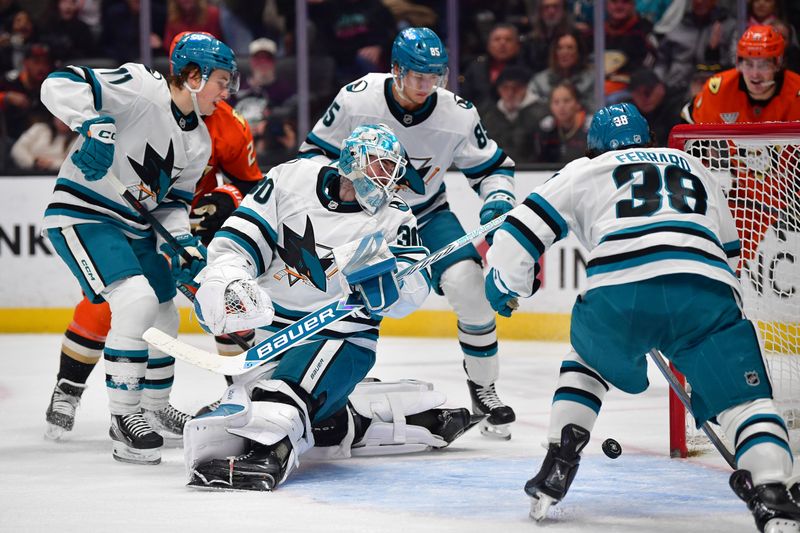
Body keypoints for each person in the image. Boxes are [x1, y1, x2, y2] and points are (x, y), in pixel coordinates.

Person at [483, 102, 800, 532]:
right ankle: (773, 491)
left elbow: (518, 232)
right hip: (705, 290)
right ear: (648, 139)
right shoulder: (693, 163)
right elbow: (729, 252)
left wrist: (506, 287)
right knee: (744, 404)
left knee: (587, 360)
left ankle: (560, 459)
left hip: (620, 294)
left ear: (593, 148)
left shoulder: (582, 171)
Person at [186, 123, 437, 490]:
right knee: (267, 405)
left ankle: (270, 457)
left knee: (280, 402)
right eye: (381, 166)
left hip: (344, 337)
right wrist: (226, 280)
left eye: (392, 172)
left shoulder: (394, 215)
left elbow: (416, 286)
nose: (388, 181)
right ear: (354, 158)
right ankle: (350, 422)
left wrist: (394, 285)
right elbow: (239, 239)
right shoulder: (291, 178)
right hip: (274, 336)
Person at [298, 27, 518, 439]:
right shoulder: (357, 97)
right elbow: (313, 157)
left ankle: (484, 388)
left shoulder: (458, 113)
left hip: (426, 214)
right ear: (395, 70)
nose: (427, 86)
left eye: (435, 76)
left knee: (468, 285)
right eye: (418, 76)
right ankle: (315, 380)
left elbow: (493, 168)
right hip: (359, 216)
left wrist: (498, 199)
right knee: (330, 294)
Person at [42, 30, 259, 443]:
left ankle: (155, 409)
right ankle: (123, 416)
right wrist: (90, 124)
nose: (227, 89)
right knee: (133, 301)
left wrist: (184, 242)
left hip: (134, 226)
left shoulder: (198, 139)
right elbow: (57, 83)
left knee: (162, 314)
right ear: (193, 76)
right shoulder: (142, 88)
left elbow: (172, 204)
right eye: (222, 80)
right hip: (84, 213)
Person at [683, 24, 800, 124]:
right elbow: (685, 128)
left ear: (778, 64)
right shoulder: (718, 90)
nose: (755, 74)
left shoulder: (797, 91)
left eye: (764, 65)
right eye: (748, 64)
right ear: (739, 63)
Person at [10, 115, 75, 171]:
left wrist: (51, 164)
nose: (62, 121)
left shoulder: (77, 138)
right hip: (28, 172)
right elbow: (17, 148)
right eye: (59, 116)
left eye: (66, 118)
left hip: (55, 175)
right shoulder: (39, 129)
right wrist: (33, 161)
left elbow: (73, 162)